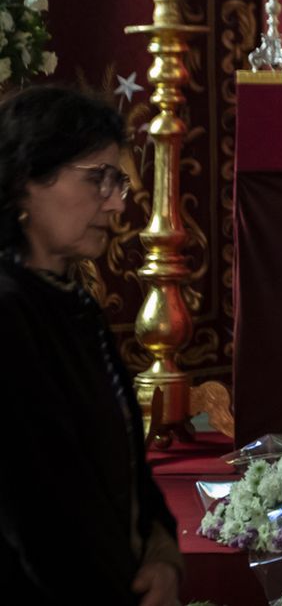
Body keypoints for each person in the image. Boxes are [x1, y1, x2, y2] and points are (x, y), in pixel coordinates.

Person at [0, 85, 184, 606]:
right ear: (26, 182)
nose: (117, 201)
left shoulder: (73, 302)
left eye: (117, 179)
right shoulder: (9, 313)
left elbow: (127, 463)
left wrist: (162, 554)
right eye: (96, 179)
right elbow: (32, 513)